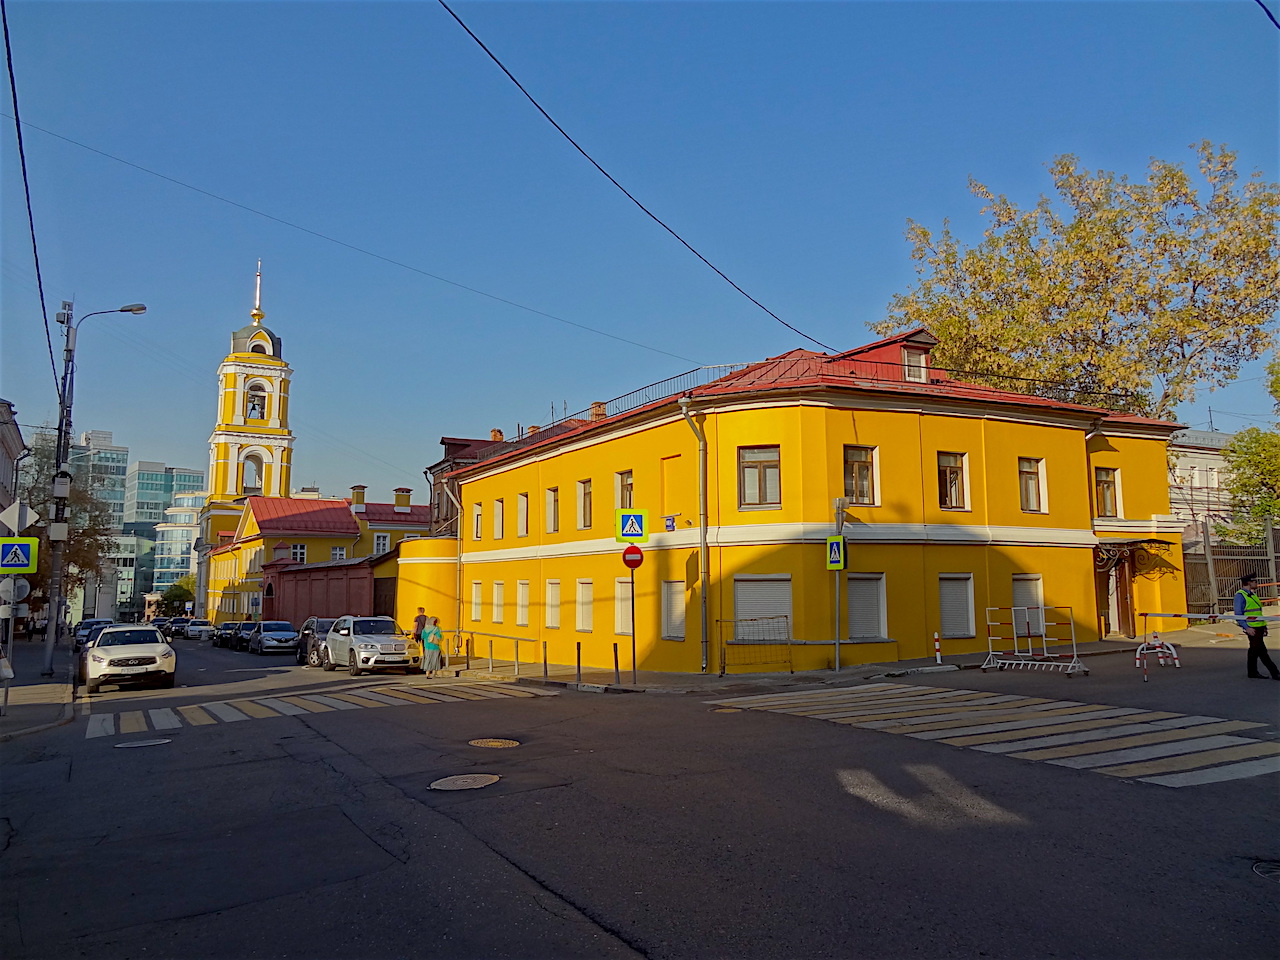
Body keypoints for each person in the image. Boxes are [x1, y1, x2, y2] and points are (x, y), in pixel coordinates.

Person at [1234, 573, 1279, 680]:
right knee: (1262, 652)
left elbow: (1258, 613)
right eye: (1255, 581)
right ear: (1249, 582)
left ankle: (1252, 672)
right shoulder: (1240, 595)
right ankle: (1275, 673)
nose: (1257, 583)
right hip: (1251, 628)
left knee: (1254, 651)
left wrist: (1264, 627)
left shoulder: (1252, 595)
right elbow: (1238, 614)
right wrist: (1246, 627)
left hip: (1259, 626)